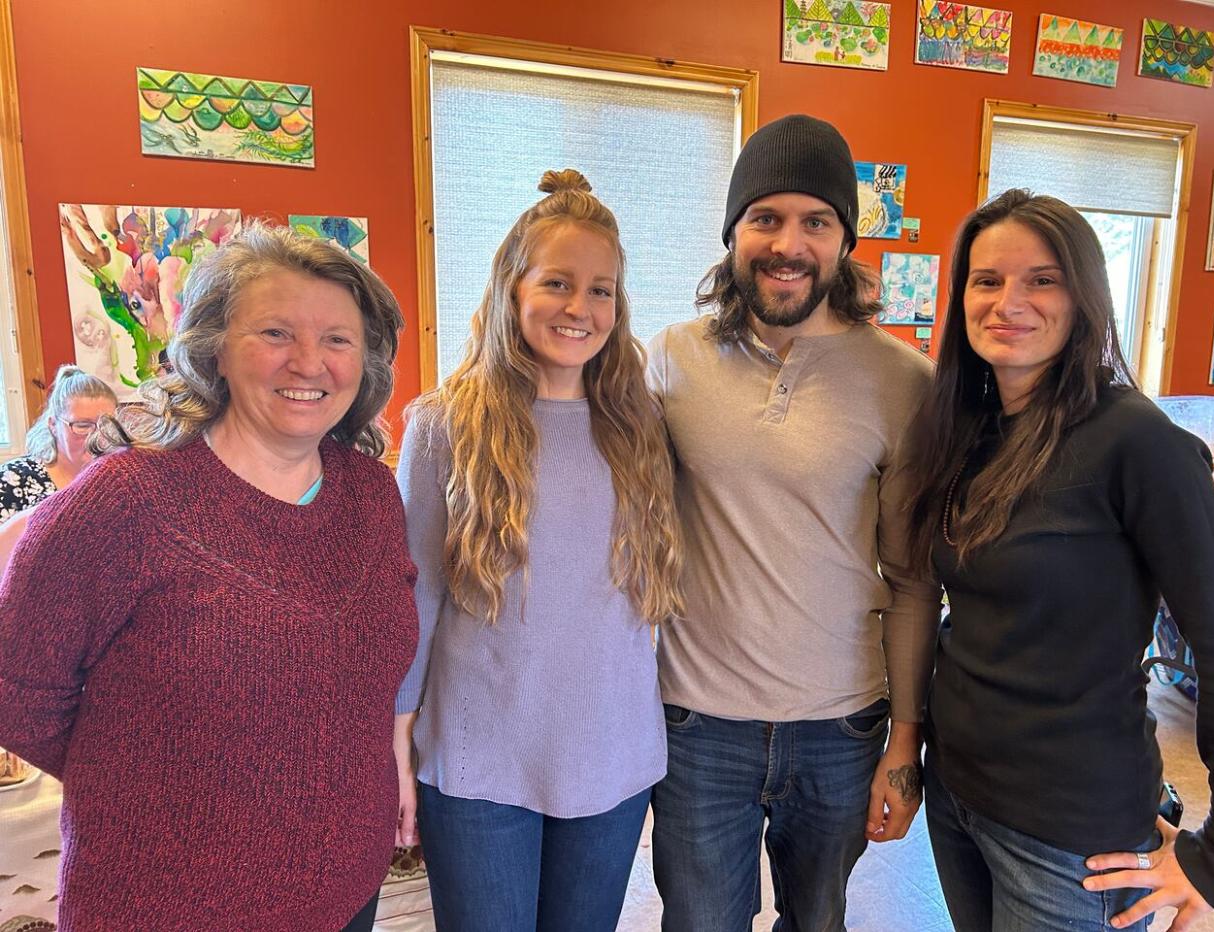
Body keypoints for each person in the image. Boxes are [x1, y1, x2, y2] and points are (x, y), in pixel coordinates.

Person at [0, 222, 418, 930]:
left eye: (338, 339)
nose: (309, 362)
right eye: (276, 333)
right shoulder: (127, 501)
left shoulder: (373, 496)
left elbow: (370, 674)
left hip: (346, 887)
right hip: (169, 902)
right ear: (215, 348)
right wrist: (149, 781)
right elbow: (16, 689)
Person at [905, 188, 1214, 930]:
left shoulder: (1137, 442)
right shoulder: (970, 429)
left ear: (1084, 295)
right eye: (987, 279)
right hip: (960, 797)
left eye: (1042, 279)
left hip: (1071, 837)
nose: (1009, 301)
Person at [646, 114, 941, 931]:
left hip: (843, 726)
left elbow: (914, 583)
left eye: (816, 221)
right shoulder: (669, 359)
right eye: (765, 218)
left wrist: (903, 748)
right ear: (733, 231)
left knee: (819, 923)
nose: (789, 243)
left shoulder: (904, 383)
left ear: (844, 240)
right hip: (697, 721)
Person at [393, 169, 682, 932]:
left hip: (612, 756)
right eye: (558, 282)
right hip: (478, 756)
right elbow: (413, 598)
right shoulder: (442, 424)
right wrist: (394, 740)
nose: (580, 308)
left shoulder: (642, 424)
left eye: (601, 290)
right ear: (512, 288)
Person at [0, 363, 116, 521]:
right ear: (53, 425)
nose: (97, 437)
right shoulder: (13, 479)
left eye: (107, 425)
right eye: (82, 426)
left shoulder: (117, 481)